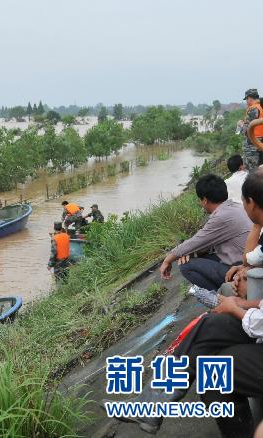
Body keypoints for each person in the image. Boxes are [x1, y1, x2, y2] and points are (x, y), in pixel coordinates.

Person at [104, 171, 263, 437]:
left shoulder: (230, 215)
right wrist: (245, 304)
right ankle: (154, 402)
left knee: (214, 373)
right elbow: (249, 260)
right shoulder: (245, 219)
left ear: (251, 203)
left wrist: (236, 308)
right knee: (209, 325)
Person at [159, 174, 251, 291]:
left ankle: (220, 299)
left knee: (186, 266)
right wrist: (190, 252)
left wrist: (167, 259)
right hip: (245, 262)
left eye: (200, 200)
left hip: (241, 268)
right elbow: (202, 243)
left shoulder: (221, 216)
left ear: (205, 200)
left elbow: (196, 241)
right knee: (198, 254)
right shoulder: (235, 207)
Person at [238, 88, 263, 170]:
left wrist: (241, 124)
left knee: (253, 172)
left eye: (246, 99)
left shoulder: (253, 109)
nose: (246, 102)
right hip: (258, 143)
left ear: (249, 98)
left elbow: (247, 130)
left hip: (252, 147)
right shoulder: (260, 107)